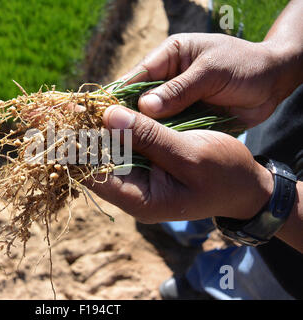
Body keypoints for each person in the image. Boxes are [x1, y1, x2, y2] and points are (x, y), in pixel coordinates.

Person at [89, 0, 303, 299]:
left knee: (263, 275)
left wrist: (262, 195)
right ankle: (180, 227)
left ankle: (212, 288)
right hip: (282, 130)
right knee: (210, 163)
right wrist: (279, 56)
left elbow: (247, 185)